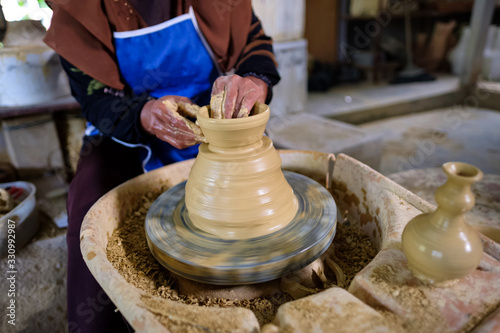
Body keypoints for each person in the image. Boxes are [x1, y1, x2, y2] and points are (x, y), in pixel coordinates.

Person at [44, 1, 280, 332]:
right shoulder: (80, 9)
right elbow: (95, 100)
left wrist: (255, 80)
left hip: (214, 122)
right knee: (89, 204)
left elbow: (256, 43)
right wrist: (144, 115)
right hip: (124, 127)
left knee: (275, 183)